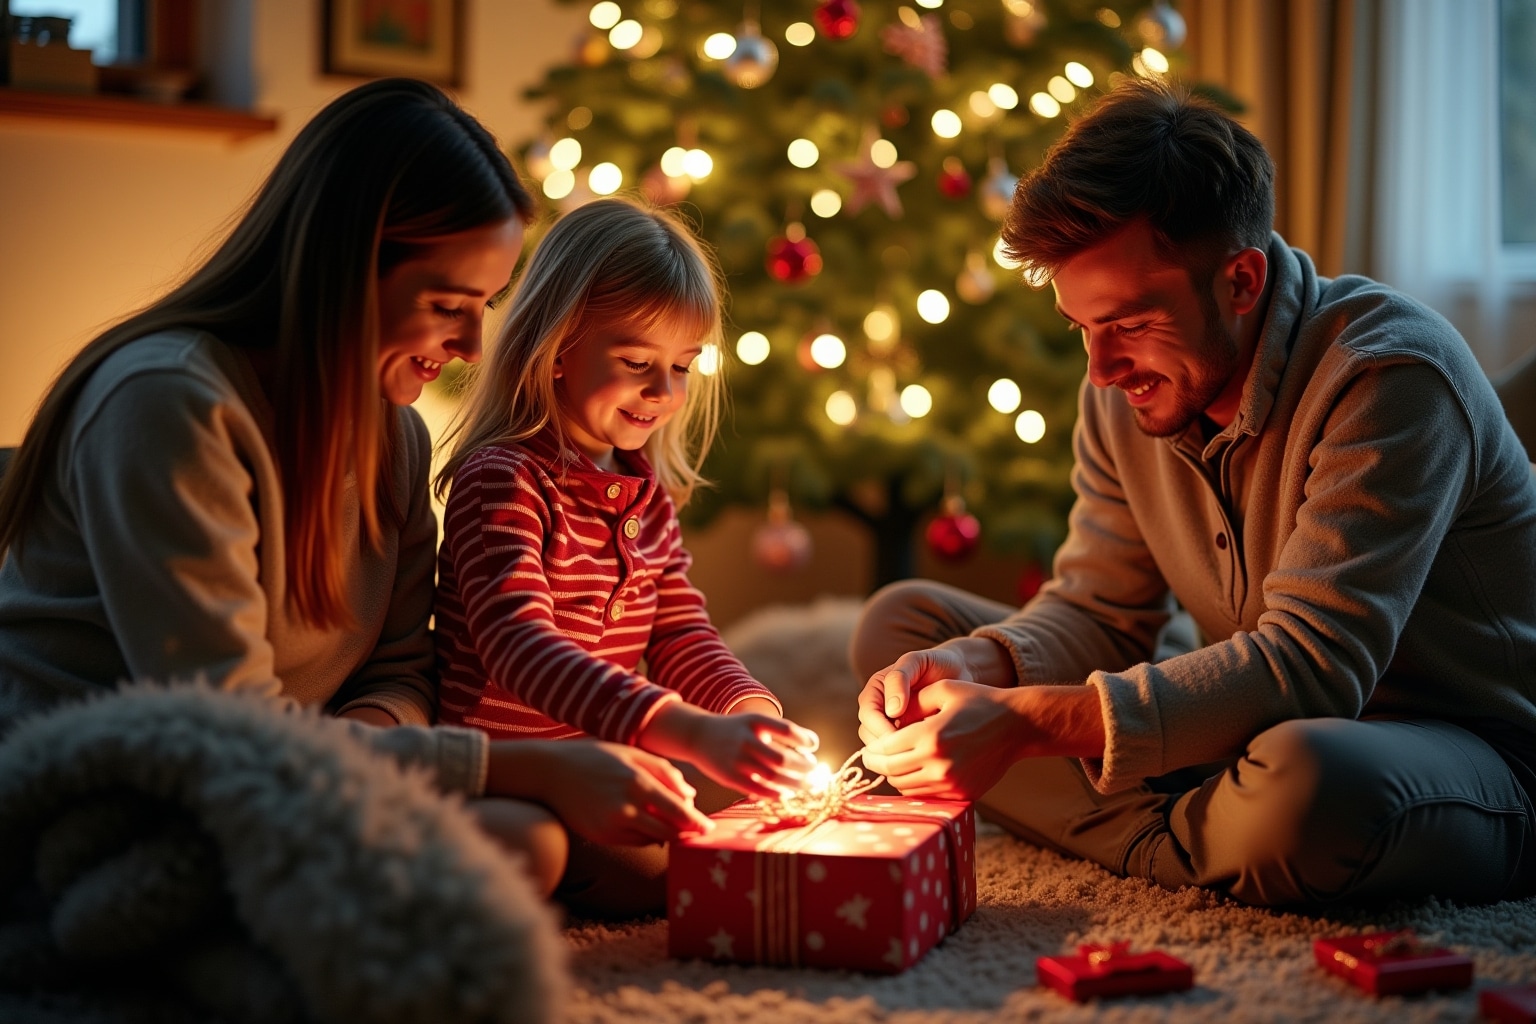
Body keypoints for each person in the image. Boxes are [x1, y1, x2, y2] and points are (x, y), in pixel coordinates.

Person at [0, 78, 717, 909]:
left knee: (540, 845)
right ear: (345, 269)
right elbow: (222, 733)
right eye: (449, 305)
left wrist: (354, 755)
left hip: (287, 768)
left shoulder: (394, 438)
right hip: (117, 786)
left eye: (485, 306)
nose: (476, 345)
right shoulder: (169, 403)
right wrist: (526, 764)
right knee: (516, 846)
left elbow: (405, 667)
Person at [851, 79, 1536, 907]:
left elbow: (1313, 669)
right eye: (1083, 329)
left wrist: (1028, 724)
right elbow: (1102, 611)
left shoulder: (1390, 376)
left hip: (1464, 750)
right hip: (1248, 736)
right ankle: (1202, 836)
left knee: (1311, 785)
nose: (1101, 370)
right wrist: (977, 664)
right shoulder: (1124, 387)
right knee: (903, 631)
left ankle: (1154, 829)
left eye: (1132, 323)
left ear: (1242, 281)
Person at [433, 197, 819, 910]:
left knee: (723, 827)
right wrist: (683, 729)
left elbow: (679, 632)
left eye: (683, 365)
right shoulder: (501, 480)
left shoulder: (647, 495)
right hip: (504, 773)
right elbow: (520, 648)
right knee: (672, 877)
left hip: (602, 765)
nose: (664, 392)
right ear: (556, 348)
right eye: (638, 362)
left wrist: (746, 709)